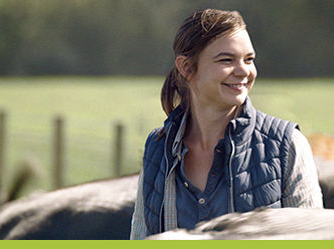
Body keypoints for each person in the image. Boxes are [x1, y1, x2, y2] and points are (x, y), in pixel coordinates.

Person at [130, 9, 323, 239]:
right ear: (186, 68)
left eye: (249, 59)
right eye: (226, 60)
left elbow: (312, 239)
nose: (244, 71)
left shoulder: (287, 144)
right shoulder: (158, 147)